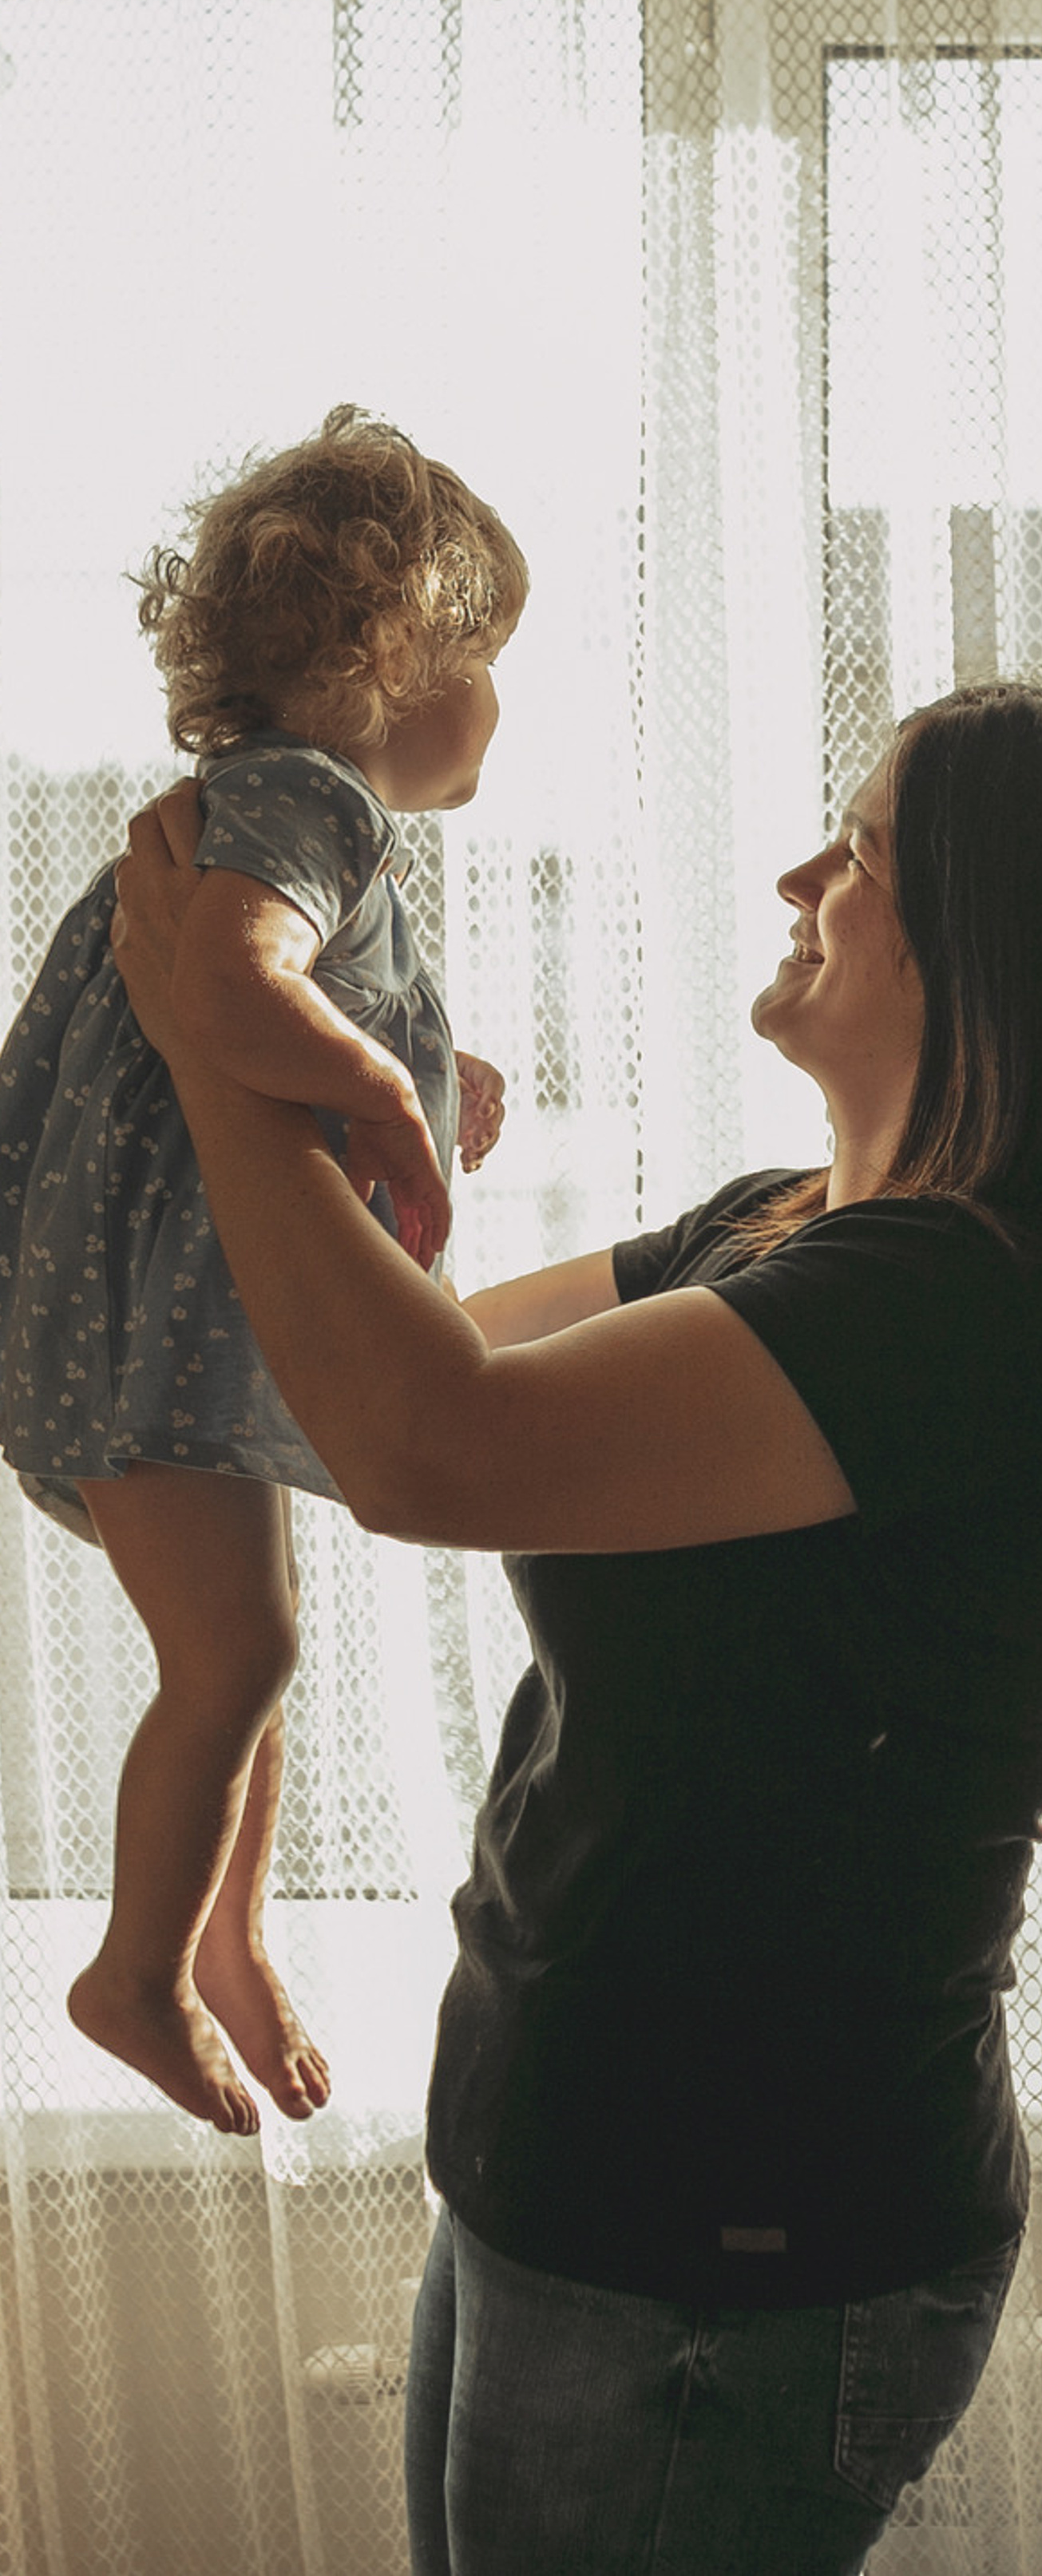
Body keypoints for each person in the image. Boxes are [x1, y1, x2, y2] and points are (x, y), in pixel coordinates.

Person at [109, 678, 1042, 2576]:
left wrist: (228, 1045)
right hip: (571, 2187)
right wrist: (291, 1056)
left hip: (724, 2253)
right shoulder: (787, 1221)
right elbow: (379, 1373)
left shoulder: (966, 1305)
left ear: (996, 937)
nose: (804, 871)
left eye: (865, 848)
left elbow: (429, 1444)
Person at [0, 405, 525, 2136]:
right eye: (485, 656)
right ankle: (134, 1969)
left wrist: (427, 1079)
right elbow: (229, 998)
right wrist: (382, 1091)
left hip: (158, 1330)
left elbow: (224, 1036)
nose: (499, 709)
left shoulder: (246, 808)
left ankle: (219, 1938)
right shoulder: (310, 801)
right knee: (236, 1656)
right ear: (393, 658)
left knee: (241, 1659)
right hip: (145, 1338)